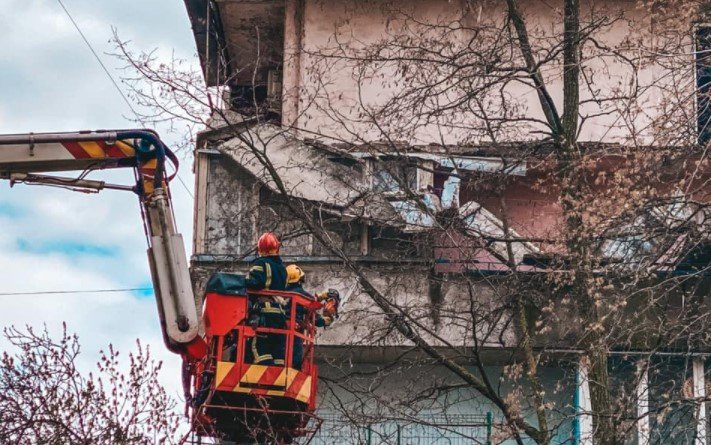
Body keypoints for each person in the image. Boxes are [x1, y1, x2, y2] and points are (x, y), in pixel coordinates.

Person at [285, 264, 340, 369]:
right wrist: (327, 320)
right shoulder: (303, 297)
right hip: (294, 333)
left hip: (278, 331)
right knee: (295, 362)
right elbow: (314, 317)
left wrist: (320, 297)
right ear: (301, 279)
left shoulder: (280, 293)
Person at [246, 232, 288, 365]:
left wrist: (244, 281)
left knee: (258, 346)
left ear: (260, 250)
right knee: (276, 349)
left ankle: (267, 372)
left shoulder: (261, 263)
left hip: (265, 311)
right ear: (277, 248)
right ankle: (278, 374)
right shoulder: (283, 269)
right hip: (280, 313)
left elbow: (255, 282)